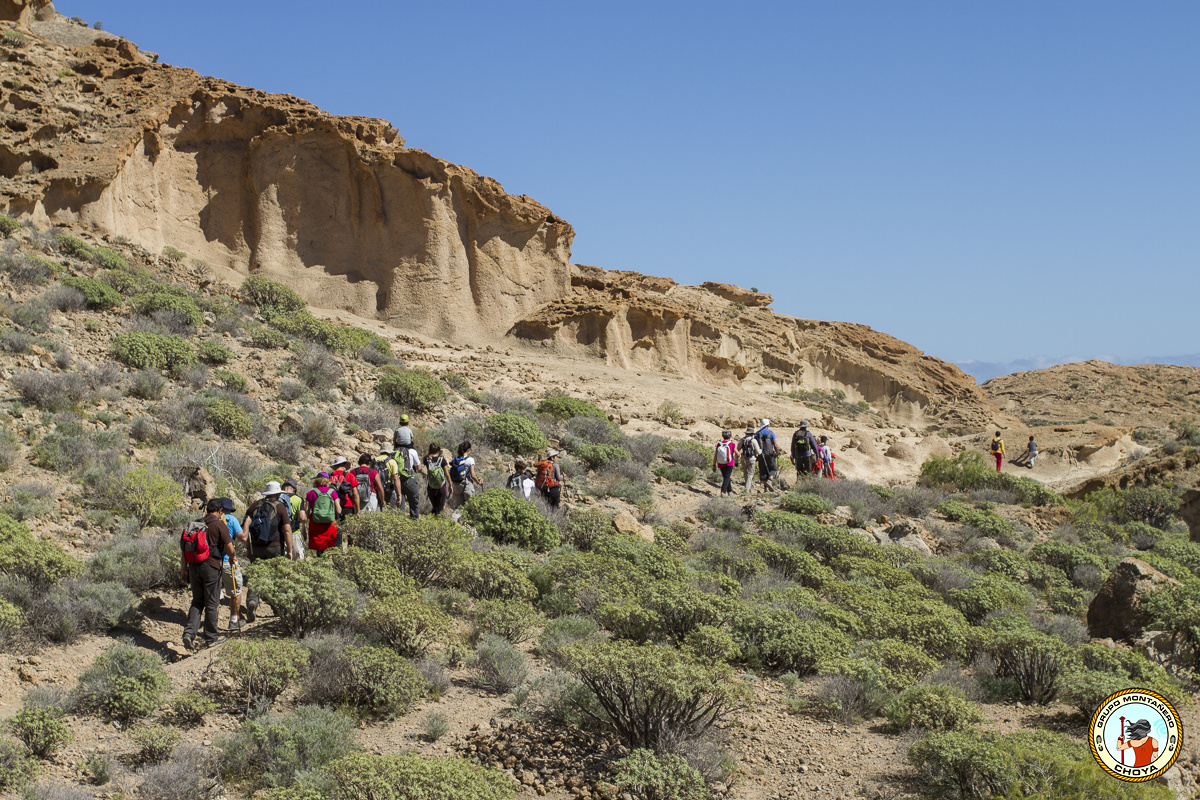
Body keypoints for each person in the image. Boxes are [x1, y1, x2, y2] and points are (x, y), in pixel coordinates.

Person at [180, 498, 234, 650]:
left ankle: (189, 634)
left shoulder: (194, 524)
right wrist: (232, 558)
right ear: (220, 511)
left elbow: (184, 551)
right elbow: (230, 549)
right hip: (211, 567)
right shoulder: (219, 525)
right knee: (211, 602)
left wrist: (184, 570)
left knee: (197, 601)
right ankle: (211, 638)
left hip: (193, 566)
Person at [241, 481, 293, 562]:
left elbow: (246, 527)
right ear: (278, 494)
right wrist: (289, 551)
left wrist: (248, 548)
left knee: (258, 573)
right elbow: (287, 530)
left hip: (256, 547)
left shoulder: (254, 506)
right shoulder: (280, 507)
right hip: (275, 547)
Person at [218, 498, 246, 632]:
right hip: (228, 560)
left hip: (211, 561)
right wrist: (247, 524)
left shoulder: (210, 520)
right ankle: (234, 619)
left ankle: (211, 624)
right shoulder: (231, 519)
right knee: (236, 590)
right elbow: (243, 537)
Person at [301, 473, 342, 555]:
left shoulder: (311, 493)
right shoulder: (332, 492)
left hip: (316, 525)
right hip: (330, 525)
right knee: (331, 549)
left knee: (319, 550)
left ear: (316, 480)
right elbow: (338, 511)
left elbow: (306, 512)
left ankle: (321, 565)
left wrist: (303, 529)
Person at [449, 440, 482, 509]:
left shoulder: (456, 459)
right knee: (471, 507)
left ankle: (454, 519)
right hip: (466, 485)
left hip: (456, 485)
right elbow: (472, 475)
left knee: (459, 508)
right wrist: (478, 481)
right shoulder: (470, 460)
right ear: (468, 450)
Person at [394, 442, 423, 519]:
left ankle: (400, 524)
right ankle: (414, 521)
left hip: (397, 480)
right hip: (409, 479)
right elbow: (418, 467)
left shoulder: (394, 451)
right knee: (414, 502)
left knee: (400, 503)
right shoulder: (412, 451)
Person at [329, 456, 360, 525]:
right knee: (348, 531)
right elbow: (355, 494)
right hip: (347, 506)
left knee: (335, 530)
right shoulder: (349, 476)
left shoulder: (329, 477)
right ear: (345, 465)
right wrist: (358, 510)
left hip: (332, 507)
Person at [281, 479, 305, 560]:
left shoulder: (278, 498)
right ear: (294, 489)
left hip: (280, 534)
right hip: (294, 532)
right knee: (297, 559)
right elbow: (302, 517)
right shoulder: (298, 499)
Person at [424, 443, 451, 516]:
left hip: (431, 486)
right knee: (440, 508)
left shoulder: (427, 460)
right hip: (441, 487)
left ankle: (432, 522)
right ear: (438, 451)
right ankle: (439, 523)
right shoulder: (442, 460)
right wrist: (450, 485)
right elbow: (447, 474)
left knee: (434, 507)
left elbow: (423, 460)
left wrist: (428, 456)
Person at [712, 430, 737, 497]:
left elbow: (716, 455)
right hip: (729, 463)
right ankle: (723, 491)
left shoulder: (719, 444)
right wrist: (741, 451)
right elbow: (737, 453)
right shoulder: (732, 444)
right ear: (730, 436)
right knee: (727, 477)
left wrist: (714, 465)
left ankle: (730, 491)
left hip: (720, 463)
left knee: (726, 477)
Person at [738, 425, 762, 494]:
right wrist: (761, 450)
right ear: (752, 434)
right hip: (752, 459)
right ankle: (746, 490)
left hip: (743, 459)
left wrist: (736, 460)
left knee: (746, 474)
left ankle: (751, 491)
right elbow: (758, 452)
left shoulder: (741, 440)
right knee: (750, 474)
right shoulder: (753, 441)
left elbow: (738, 449)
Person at [756, 419, 778, 490]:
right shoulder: (771, 433)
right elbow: (775, 444)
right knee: (773, 468)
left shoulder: (757, 433)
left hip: (761, 455)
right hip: (770, 454)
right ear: (767, 425)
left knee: (763, 471)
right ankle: (770, 480)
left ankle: (765, 488)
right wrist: (777, 452)